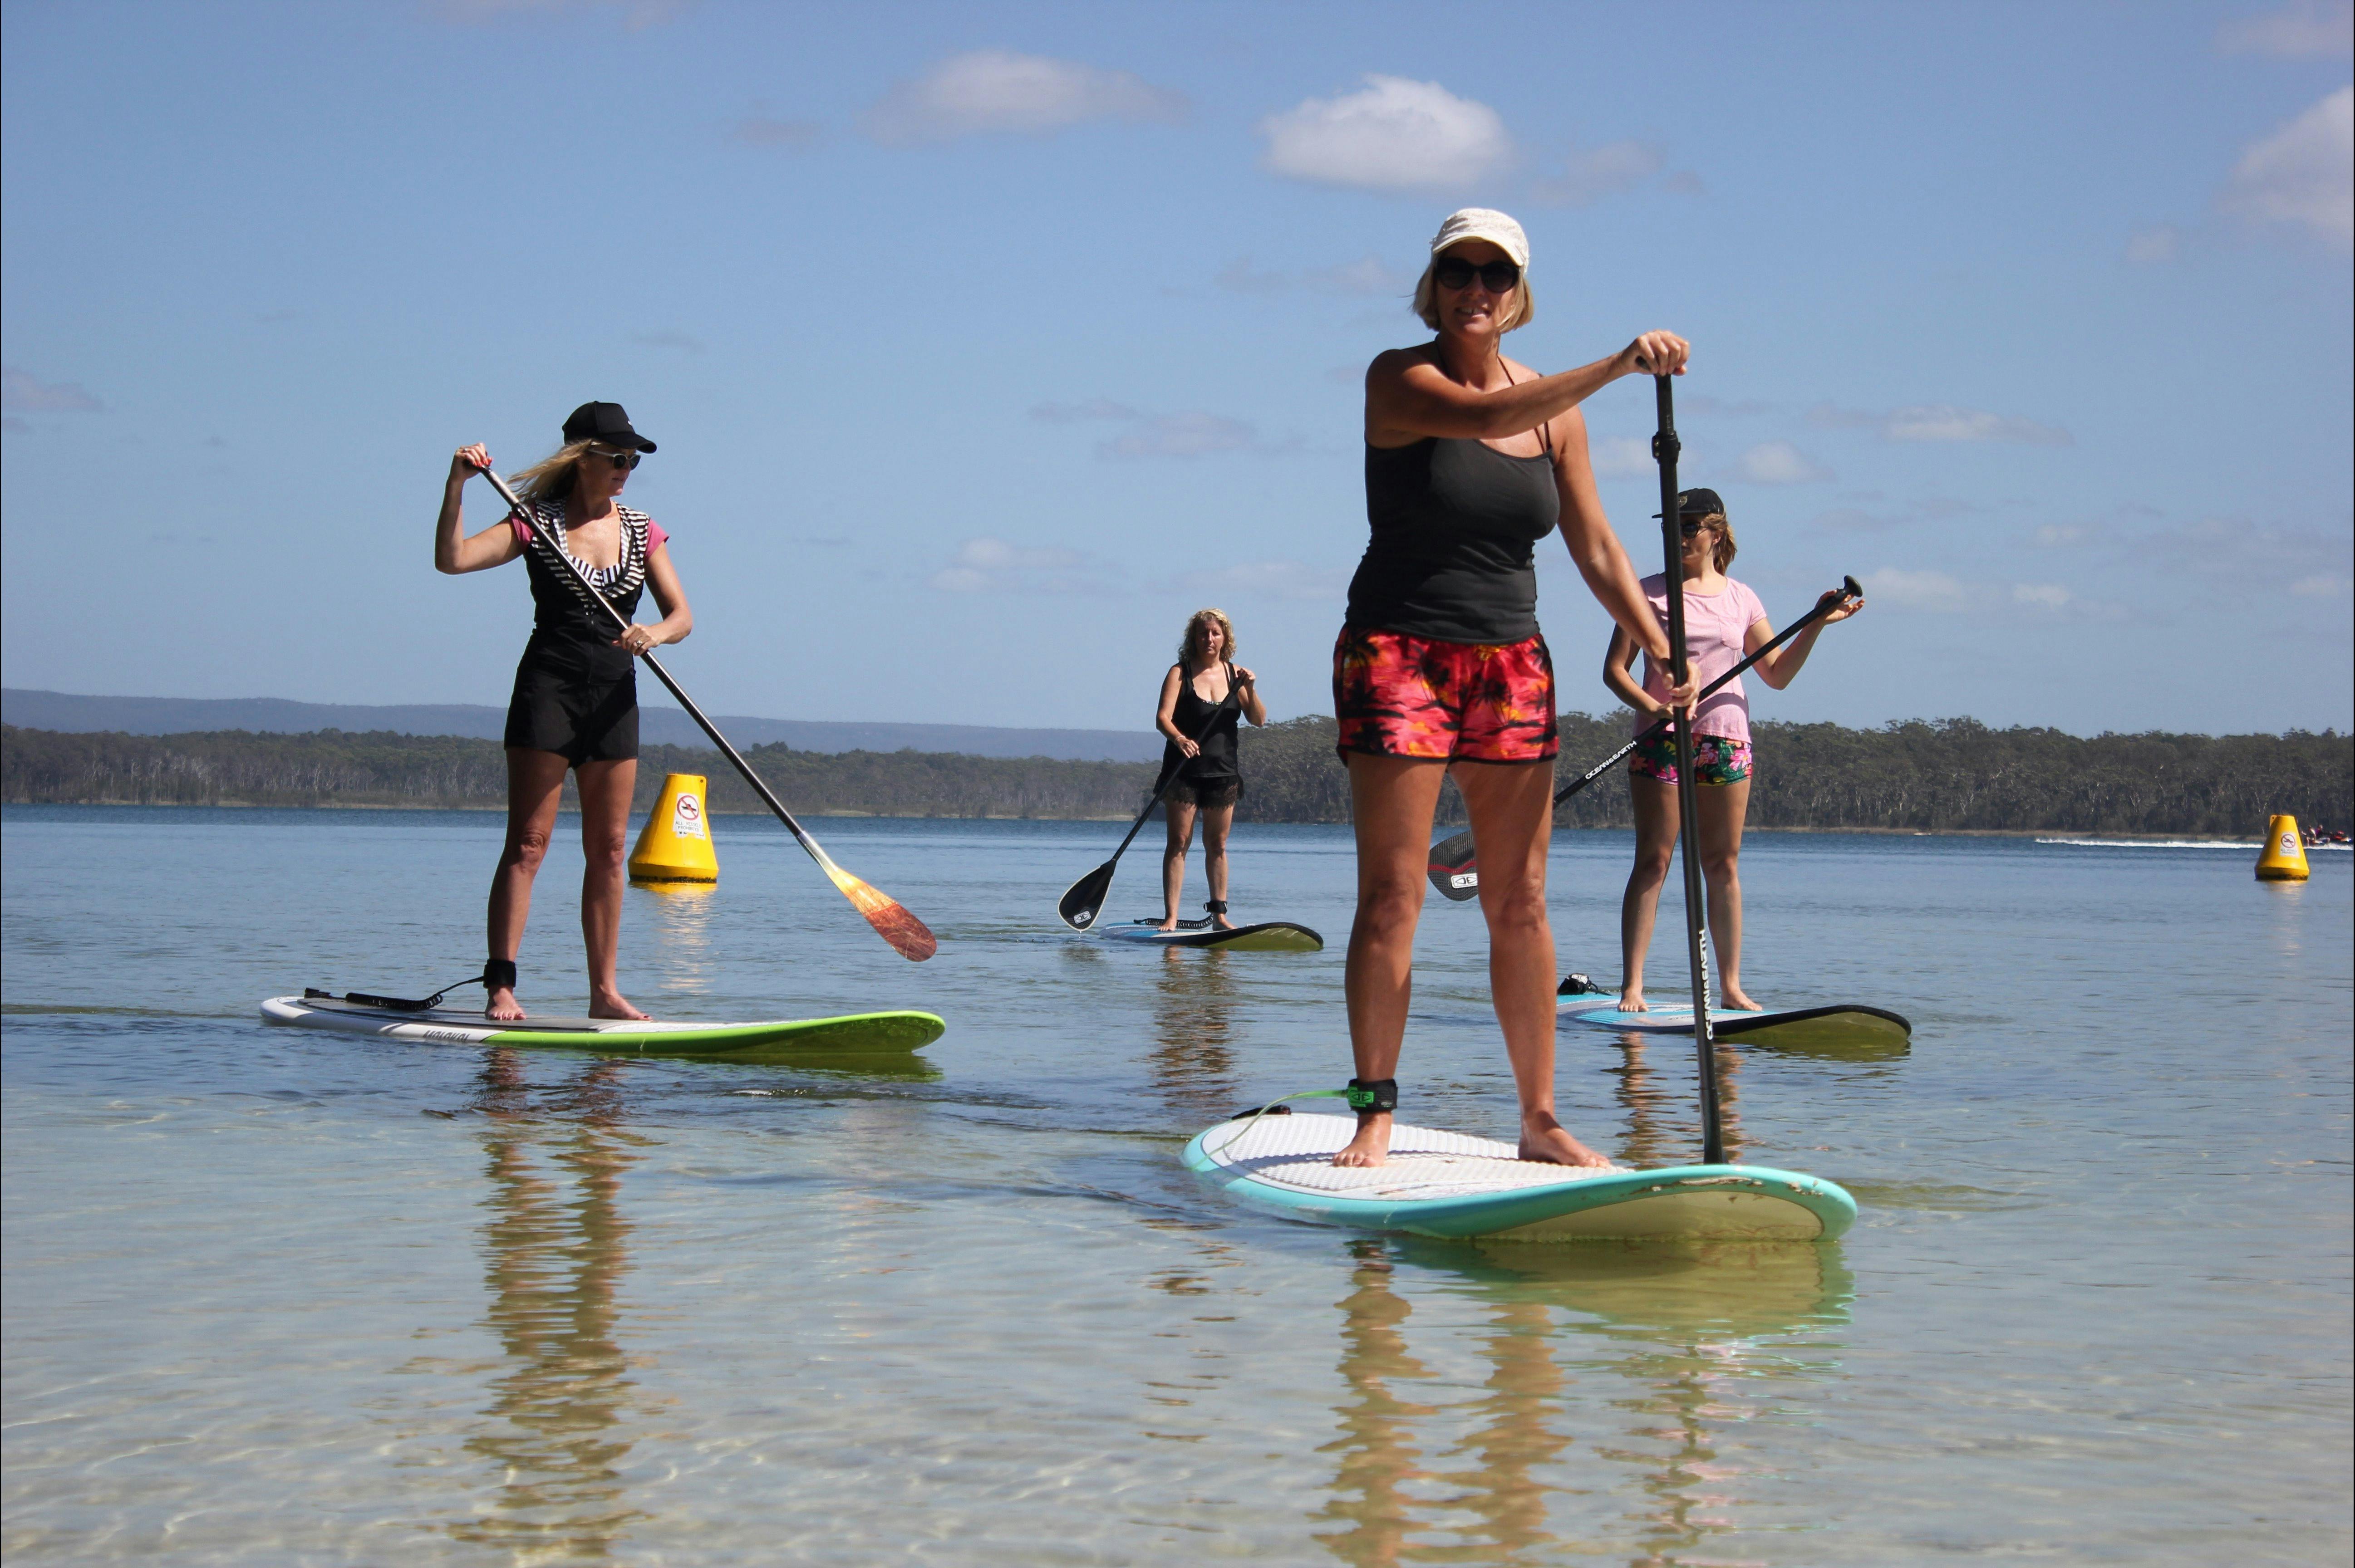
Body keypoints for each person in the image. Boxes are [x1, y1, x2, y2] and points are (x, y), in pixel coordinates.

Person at [1333, 207, 1694, 1169]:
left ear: (1518, 293)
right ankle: (1374, 1108)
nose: (1475, 290)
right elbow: (1489, 417)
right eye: (1458, 271)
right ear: (1434, 283)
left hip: (1510, 664)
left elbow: (1599, 547)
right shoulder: (1394, 377)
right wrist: (1621, 365)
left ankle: (1538, 1120)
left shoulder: (1558, 414)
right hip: (1397, 650)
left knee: (1521, 898)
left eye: (1495, 275)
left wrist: (1663, 648)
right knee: (1390, 897)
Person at [434, 402, 693, 1021]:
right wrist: (455, 488)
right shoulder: (534, 522)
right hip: (547, 690)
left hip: (612, 695)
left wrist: (653, 634)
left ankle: (603, 991)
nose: (627, 469)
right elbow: (453, 560)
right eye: (617, 458)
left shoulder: (642, 528)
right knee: (528, 843)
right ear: (583, 460)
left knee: (607, 851)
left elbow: (683, 617)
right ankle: (501, 985)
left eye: (633, 460)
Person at [1606, 488, 1861, 1013]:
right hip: (1661, 740)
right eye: (1671, 527)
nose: (1677, 537)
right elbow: (1614, 672)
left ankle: (1729, 987)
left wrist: (1813, 625)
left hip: (1725, 740)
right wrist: (1654, 710)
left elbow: (1776, 676)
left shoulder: (1742, 598)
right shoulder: (1645, 594)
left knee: (1722, 864)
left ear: (1716, 533)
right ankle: (1633, 986)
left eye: (1689, 527)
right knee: (1653, 859)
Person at [1152, 609, 1268, 931]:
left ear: (1225, 638)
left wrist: (1252, 688)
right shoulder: (1180, 672)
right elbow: (1163, 718)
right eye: (1203, 634)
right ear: (1194, 639)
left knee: (1217, 845)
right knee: (1179, 842)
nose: (1209, 639)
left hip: (1223, 772)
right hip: (1183, 772)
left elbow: (1258, 719)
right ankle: (1171, 917)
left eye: (1215, 633)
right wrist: (1179, 739)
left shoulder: (1236, 676)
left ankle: (1218, 916)